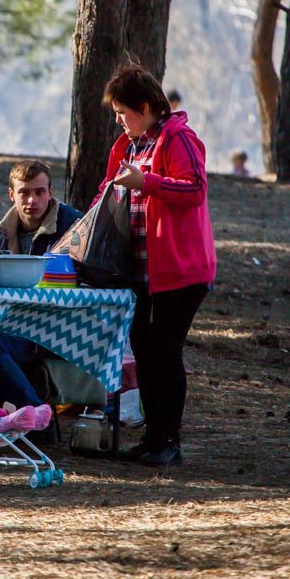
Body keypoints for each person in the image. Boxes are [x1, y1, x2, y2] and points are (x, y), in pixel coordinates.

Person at [100, 65, 216, 467]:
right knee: (147, 352)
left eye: (121, 111)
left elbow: (195, 190)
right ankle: (153, 439)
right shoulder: (128, 146)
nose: (118, 119)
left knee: (165, 351)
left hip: (180, 272)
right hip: (139, 272)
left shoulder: (177, 139)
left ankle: (170, 439)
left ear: (144, 107)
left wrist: (146, 184)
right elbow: (110, 189)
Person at [0, 160, 83, 410]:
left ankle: (36, 415)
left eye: (39, 192)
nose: (32, 200)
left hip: (59, 328)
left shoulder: (73, 227)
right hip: (13, 323)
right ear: (11, 194)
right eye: (24, 193)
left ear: (51, 192)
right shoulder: (1, 234)